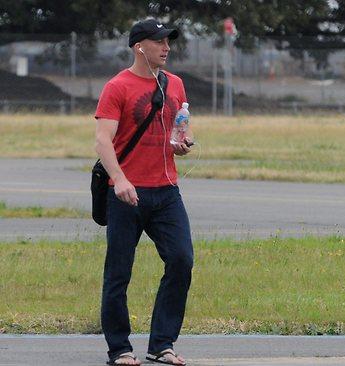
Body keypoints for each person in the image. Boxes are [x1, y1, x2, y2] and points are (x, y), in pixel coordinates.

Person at [94, 18, 193, 366]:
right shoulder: (117, 86)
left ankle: (161, 344)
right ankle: (119, 348)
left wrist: (182, 144)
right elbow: (102, 139)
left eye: (168, 41)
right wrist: (119, 179)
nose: (166, 47)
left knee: (182, 260)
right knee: (119, 272)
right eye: (159, 41)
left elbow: (177, 131)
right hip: (127, 194)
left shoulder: (175, 84)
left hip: (166, 191)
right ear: (140, 46)